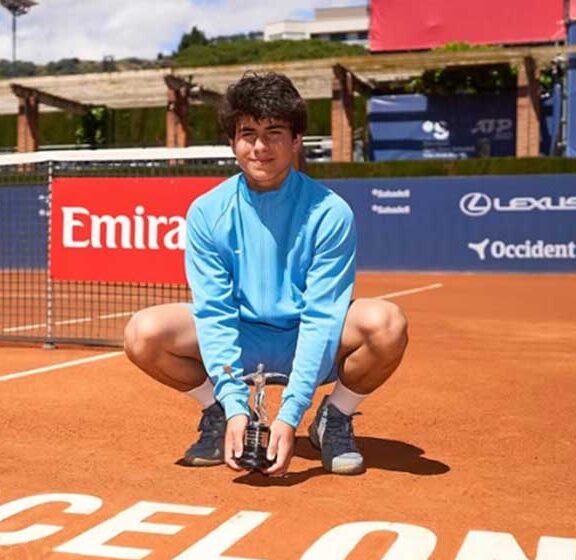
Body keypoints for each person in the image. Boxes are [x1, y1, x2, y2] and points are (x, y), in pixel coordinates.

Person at [124, 72, 408, 477]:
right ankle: (220, 414)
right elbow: (215, 314)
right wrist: (237, 403)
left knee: (387, 324)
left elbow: (322, 317)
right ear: (233, 143)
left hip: (308, 340)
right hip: (242, 337)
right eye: (248, 133)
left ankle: (335, 418)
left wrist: (290, 415)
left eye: (274, 132)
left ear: (296, 141)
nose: (260, 146)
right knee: (143, 332)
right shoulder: (207, 212)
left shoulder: (331, 212)